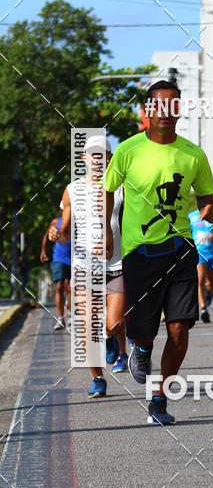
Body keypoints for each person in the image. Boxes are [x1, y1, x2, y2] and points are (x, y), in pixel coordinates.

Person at [104, 80, 213, 425]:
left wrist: (208, 211)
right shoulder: (128, 150)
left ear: (179, 110)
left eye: (173, 105)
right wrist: (108, 233)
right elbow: (108, 191)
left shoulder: (194, 154)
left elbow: (207, 198)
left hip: (181, 249)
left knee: (180, 330)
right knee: (143, 331)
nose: (166, 112)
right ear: (148, 111)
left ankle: (159, 399)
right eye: (159, 105)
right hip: (139, 253)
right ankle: (140, 347)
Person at [49, 135, 127, 398]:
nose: (96, 158)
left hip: (115, 263)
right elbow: (65, 233)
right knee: (86, 325)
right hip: (84, 266)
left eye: (101, 153)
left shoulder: (121, 187)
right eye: (91, 154)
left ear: (109, 158)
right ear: (83, 158)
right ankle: (98, 379)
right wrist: (55, 234)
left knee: (113, 322)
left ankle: (112, 341)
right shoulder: (72, 190)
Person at [41, 212, 71, 330]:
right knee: (59, 286)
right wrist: (43, 250)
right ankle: (60, 317)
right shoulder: (55, 221)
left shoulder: (78, 220)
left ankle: (70, 315)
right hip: (59, 257)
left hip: (75, 257)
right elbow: (47, 235)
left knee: (71, 288)